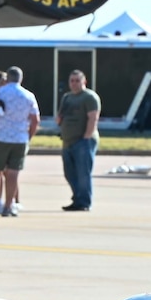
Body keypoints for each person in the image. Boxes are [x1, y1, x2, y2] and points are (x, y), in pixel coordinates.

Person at [0, 67, 38, 217]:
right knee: (13, 174)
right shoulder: (29, 96)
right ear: (21, 78)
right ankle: (8, 206)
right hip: (20, 138)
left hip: (0, 137)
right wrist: (28, 136)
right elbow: (35, 119)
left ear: (7, 79)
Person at [57, 69, 101, 212]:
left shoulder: (89, 97)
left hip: (83, 141)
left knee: (83, 173)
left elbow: (93, 118)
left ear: (84, 82)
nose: (74, 84)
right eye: (72, 81)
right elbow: (60, 115)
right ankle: (77, 198)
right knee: (69, 173)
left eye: (77, 81)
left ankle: (84, 202)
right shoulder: (67, 97)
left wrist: (86, 137)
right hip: (67, 141)